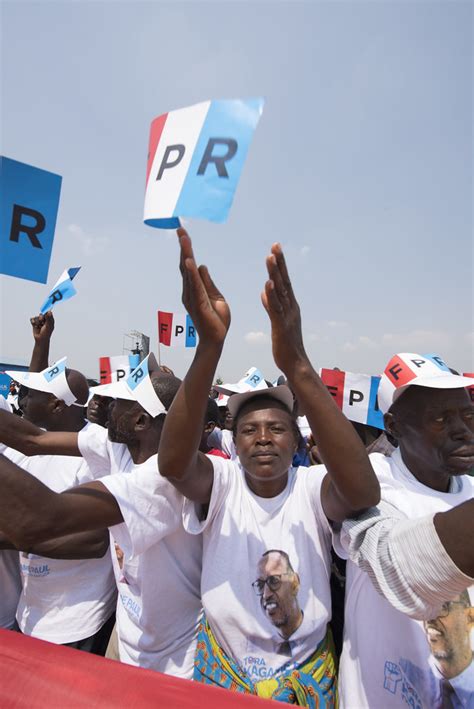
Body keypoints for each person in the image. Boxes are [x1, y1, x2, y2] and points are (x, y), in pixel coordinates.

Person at [158, 229, 380, 705]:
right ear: (232, 442)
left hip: (308, 678)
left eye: (277, 429)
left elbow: (362, 492)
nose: (262, 438)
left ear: (298, 440)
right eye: (248, 429)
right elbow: (174, 463)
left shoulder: (312, 486)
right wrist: (208, 348)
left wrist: (298, 364)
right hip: (224, 673)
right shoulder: (221, 483)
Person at [0, 356, 202, 677]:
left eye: (116, 402)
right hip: (126, 635)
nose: (102, 406)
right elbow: (32, 440)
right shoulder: (119, 446)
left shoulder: (162, 480)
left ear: (139, 422)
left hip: (173, 659)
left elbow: (37, 522)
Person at [336, 352, 474, 708]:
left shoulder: (470, 492)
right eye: (441, 419)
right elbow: (403, 570)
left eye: (468, 414)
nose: (462, 429)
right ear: (394, 426)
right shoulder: (369, 485)